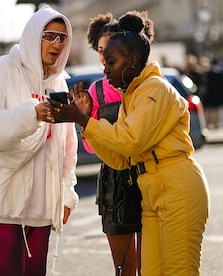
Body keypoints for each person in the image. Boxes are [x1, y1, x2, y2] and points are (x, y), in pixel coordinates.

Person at [46, 12, 210, 276]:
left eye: (111, 61)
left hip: (178, 187)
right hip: (151, 190)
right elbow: (120, 158)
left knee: (180, 271)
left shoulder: (156, 89)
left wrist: (85, 121)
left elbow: (131, 140)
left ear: (132, 61)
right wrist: (86, 122)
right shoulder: (131, 94)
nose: (105, 69)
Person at [0, 6, 79, 276]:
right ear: (32, 35)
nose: (57, 43)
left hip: (42, 207)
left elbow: (67, 149)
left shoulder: (61, 83)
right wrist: (31, 114)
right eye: (49, 35)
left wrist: (66, 196)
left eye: (62, 38)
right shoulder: (1, 71)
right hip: (8, 204)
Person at [83, 12, 144, 276]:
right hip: (114, 183)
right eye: (100, 50)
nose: (104, 56)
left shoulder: (146, 85)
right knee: (125, 268)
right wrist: (83, 120)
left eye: (110, 48)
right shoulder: (95, 91)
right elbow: (88, 148)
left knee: (153, 264)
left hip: (148, 177)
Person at [202, 59, 223, 129]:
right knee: (216, 110)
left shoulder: (207, 73)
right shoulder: (220, 73)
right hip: (217, 94)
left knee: (208, 110)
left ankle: (207, 125)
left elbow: (205, 84)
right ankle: (216, 124)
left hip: (209, 94)